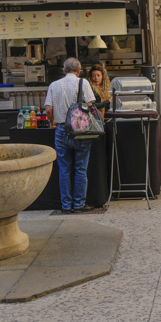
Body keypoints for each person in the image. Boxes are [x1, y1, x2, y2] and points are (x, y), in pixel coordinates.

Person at [43, 58, 98, 213]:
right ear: (79, 70)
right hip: (80, 131)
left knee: (64, 170)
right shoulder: (83, 83)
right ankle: (79, 204)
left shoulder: (54, 85)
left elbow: (48, 109)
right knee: (81, 169)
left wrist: (52, 121)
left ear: (63, 70)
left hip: (61, 130)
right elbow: (90, 105)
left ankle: (66, 206)